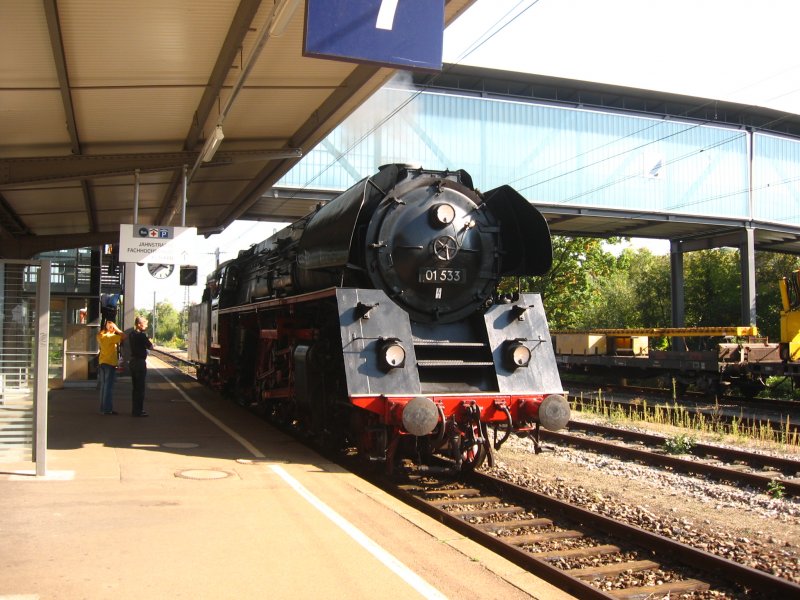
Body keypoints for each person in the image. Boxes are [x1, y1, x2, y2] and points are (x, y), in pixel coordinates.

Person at [97, 320, 126, 415]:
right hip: (110, 363)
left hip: (102, 362)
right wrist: (117, 329)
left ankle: (102, 408)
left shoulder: (100, 336)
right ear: (112, 328)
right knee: (108, 387)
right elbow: (124, 336)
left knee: (103, 386)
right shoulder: (112, 337)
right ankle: (107, 409)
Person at [128, 316, 153, 417]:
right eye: (145, 324)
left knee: (135, 388)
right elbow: (150, 346)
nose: (146, 325)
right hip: (140, 363)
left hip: (133, 362)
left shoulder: (131, 334)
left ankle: (135, 410)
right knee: (140, 388)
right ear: (139, 324)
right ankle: (139, 411)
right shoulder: (142, 336)